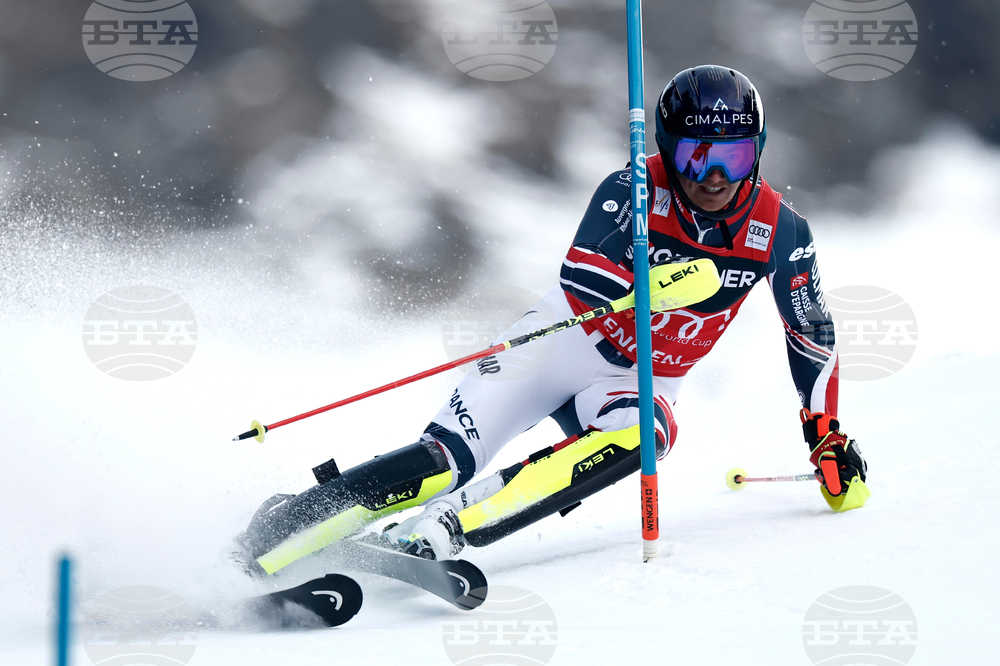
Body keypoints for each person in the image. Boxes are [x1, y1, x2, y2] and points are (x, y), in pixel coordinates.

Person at [234, 65, 869, 576]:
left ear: (757, 152)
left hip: (636, 379)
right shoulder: (631, 188)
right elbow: (582, 277)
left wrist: (825, 434)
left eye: (733, 156)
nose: (714, 178)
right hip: (559, 343)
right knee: (445, 460)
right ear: (666, 149)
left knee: (647, 435)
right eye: (696, 156)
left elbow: (810, 331)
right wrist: (652, 286)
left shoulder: (781, 229)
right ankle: (288, 526)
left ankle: (447, 528)